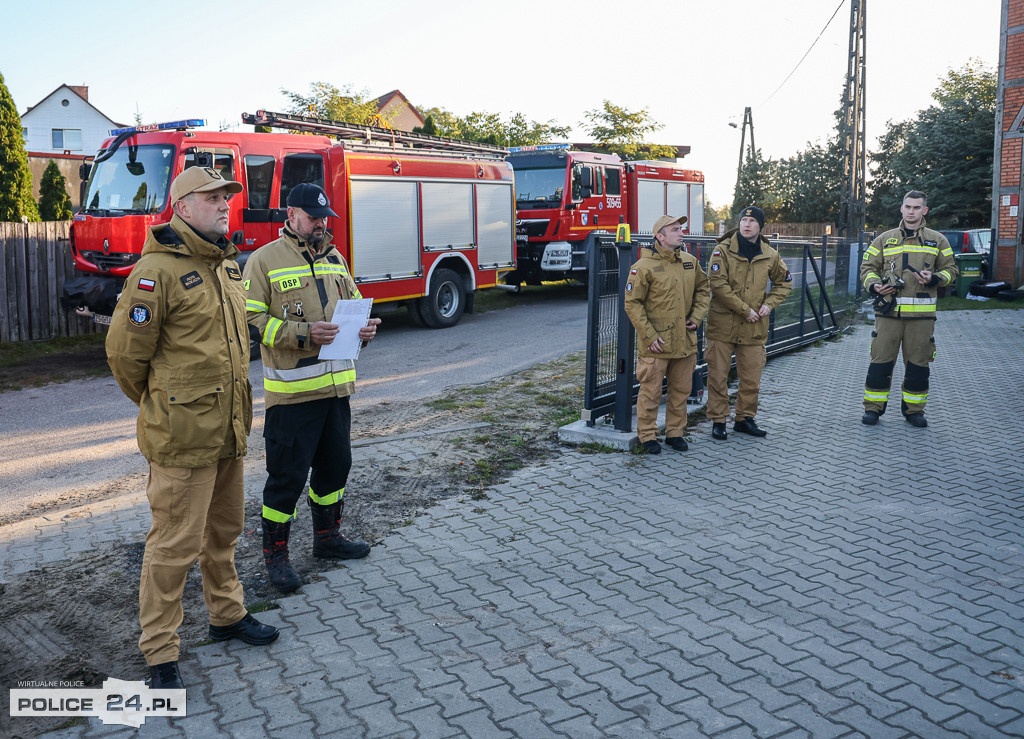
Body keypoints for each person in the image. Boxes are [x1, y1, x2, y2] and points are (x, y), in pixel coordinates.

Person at [106, 167, 279, 691]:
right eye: (213, 198)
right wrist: (163, 405)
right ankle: (160, 652)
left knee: (222, 533)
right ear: (183, 207)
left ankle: (226, 616)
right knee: (173, 546)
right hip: (182, 436)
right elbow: (124, 356)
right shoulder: (154, 272)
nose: (225, 205)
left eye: (227, 197)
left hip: (227, 429)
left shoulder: (227, 267)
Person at [243, 183, 380, 593]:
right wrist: (305, 334)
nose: (321, 223)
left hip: (337, 393)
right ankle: (277, 558)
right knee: (286, 478)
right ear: (291, 215)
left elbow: (355, 303)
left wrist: (368, 328)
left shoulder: (336, 258)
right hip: (294, 397)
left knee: (336, 468)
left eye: (324, 217)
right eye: (313, 216)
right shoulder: (264, 261)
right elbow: (249, 320)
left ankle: (327, 540)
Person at [860, 190, 957, 428]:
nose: (911, 211)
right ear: (901, 209)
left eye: (916, 207)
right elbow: (867, 268)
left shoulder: (938, 240)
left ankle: (914, 411)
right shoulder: (884, 239)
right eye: (907, 207)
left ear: (924, 210)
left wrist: (934, 278)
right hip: (888, 314)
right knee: (880, 363)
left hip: (922, 318)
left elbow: (952, 271)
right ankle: (873, 409)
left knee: (918, 366)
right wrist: (874, 285)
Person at [624, 214, 710, 454]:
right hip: (657, 344)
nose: (681, 232)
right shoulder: (643, 267)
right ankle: (647, 436)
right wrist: (649, 336)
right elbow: (632, 304)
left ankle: (675, 432)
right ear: (659, 236)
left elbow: (704, 288)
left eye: (680, 229)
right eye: (674, 230)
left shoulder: (690, 261)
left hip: (684, 341)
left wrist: (696, 317)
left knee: (681, 390)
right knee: (650, 392)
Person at [705, 205, 792, 440]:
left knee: (751, 377)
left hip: (754, 327)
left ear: (760, 226)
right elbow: (718, 284)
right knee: (717, 377)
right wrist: (745, 310)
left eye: (752, 222)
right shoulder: (722, 250)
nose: (746, 224)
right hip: (722, 325)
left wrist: (769, 304)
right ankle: (719, 420)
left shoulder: (769, 254)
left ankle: (745, 419)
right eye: (744, 220)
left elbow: (784, 283)